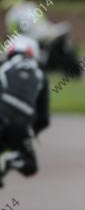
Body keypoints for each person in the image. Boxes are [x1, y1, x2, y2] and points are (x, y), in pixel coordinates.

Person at [0, 35, 50, 188]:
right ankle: (10, 159)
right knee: (30, 165)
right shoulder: (41, 75)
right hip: (22, 125)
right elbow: (44, 118)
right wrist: (31, 134)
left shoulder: (4, 66)